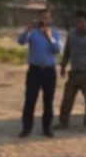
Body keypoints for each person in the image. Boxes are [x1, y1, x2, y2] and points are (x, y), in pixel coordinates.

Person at [17, 9, 61, 138]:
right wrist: (28, 29)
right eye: (42, 18)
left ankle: (47, 128)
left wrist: (49, 37)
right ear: (39, 19)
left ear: (51, 20)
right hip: (34, 71)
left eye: (47, 18)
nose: (44, 20)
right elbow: (21, 41)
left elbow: (57, 50)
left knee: (48, 101)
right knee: (30, 99)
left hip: (49, 71)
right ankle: (26, 128)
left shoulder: (55, 33)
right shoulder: (33, 33)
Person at [55, 9, 86, 132]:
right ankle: (63, 122)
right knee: (67, 99)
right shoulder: (71, 34)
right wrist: (63, 66)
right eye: (77, 22)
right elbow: (67, 52)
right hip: (74, 73)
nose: (79, 25)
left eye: (81, 22)